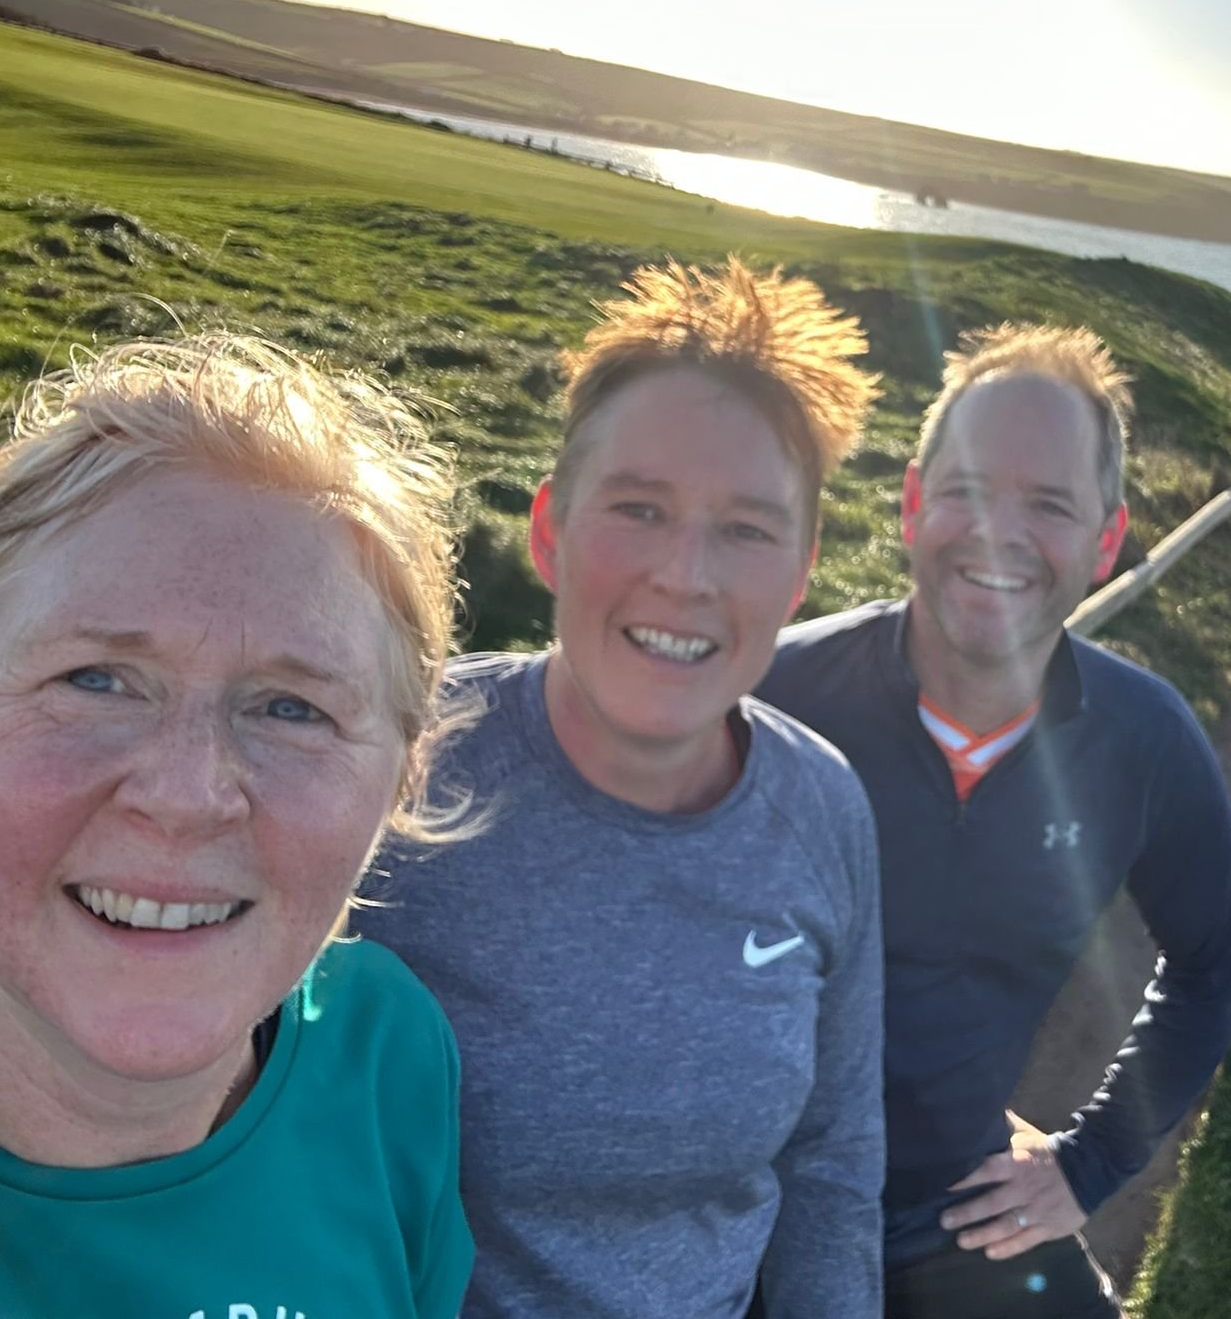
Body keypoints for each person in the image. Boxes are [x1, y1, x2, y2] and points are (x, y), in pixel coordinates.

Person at [357, 258, 886, 1319]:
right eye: (639, 509)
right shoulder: (396, 759)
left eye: (745, 529)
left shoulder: (823, 807)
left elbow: (832, 1166)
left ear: (799, 571)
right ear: (548, 529)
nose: (686, 575)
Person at [0, 335, 473, 1319]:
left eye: (292, 708)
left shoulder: (383, 1050)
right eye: (93, 680)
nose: (184, 794)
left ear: (403, 775)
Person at [758, 322, 1231, 1319]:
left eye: (1050, 506)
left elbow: (1214, 957)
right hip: (738, 1223)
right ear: (910, 504)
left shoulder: (1142, 742)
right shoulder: (775, 697)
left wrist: (1089, 1164)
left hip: (954, 1224)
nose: (999, 533)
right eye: (968, 491)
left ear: (1105, 542)